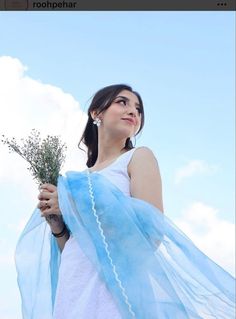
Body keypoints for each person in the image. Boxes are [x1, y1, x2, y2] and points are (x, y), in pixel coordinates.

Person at [16, 84, 235, 319]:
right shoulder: (76, 180)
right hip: (73, 286)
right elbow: (77, 245)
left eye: (138, 109)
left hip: (116, 289)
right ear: (96, 113)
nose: (134, 112)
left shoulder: (137, 158)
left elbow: (150, 232)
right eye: (123, 102)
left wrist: (73, 206)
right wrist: (58, 226)